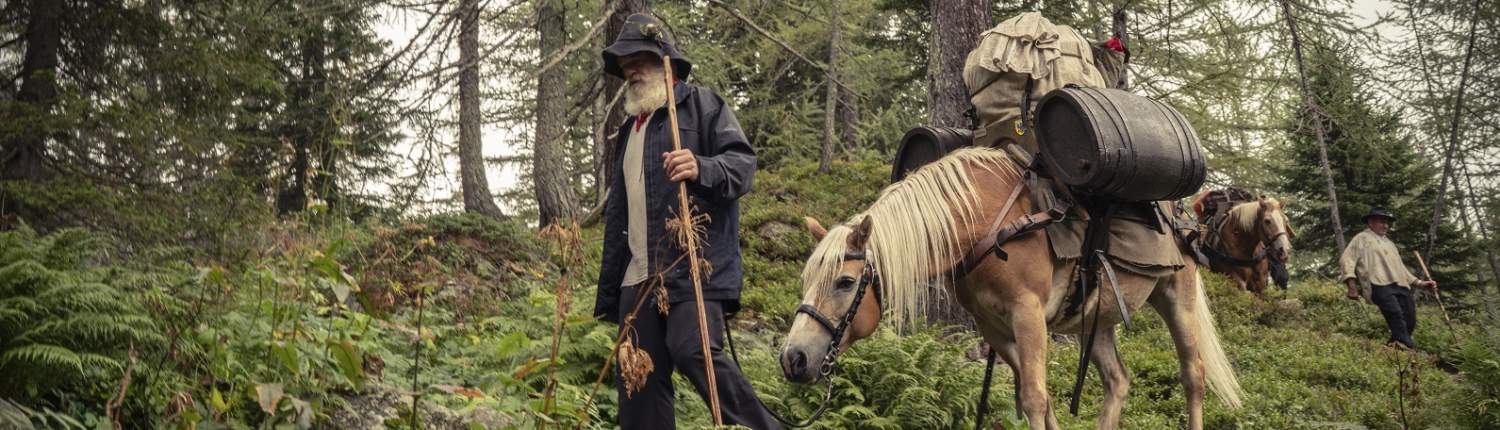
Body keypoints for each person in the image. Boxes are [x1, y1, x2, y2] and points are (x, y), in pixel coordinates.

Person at [593, 13, 780, 430]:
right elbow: (621, 216)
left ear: (666, 62)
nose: (631, 73)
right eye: (625, 68)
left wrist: (701, 167)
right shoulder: (628, 131)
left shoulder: (702, 106)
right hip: (637, 277)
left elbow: (743, 166)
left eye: (639, 62)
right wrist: (613, 287)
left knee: (694, 350)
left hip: (691, 266)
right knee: (637, 381)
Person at [1339, 207, 1438, 350]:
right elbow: (1346, 260)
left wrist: (1420, 283)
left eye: (1387, 222)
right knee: (1395, 314)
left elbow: (1400, 268)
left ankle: (1391, 349)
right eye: (1381, 222)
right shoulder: (1361, 239)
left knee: (1410, 319)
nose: (1386, 225)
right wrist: (1351, 286)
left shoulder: (1390, 244)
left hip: (1400, 285)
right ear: (1370, 222)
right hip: (1378, 284)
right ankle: (1412, 351)